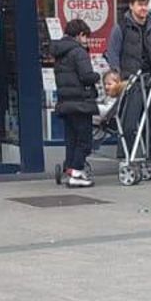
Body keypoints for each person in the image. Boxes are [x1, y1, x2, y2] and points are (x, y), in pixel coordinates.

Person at [107, 0, 151, 171]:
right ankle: (125, 156)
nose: (143, 8)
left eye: (146, 4)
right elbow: (113, 54)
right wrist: (117, 77)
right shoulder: (121, 28)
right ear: (131, 6)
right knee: (129, 120)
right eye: (140, 5)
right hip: (131, 81)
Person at [52, 17, 98, 188]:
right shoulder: (79, 52)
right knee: (84, 141)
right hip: (80, 103)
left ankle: (69, 169)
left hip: (65, 102)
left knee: (71, 140)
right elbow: (86, 76)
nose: (86, 40)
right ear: (79, 35)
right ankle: (76, 172)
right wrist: (97, 76)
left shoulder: (60, 53)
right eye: (86, 37)